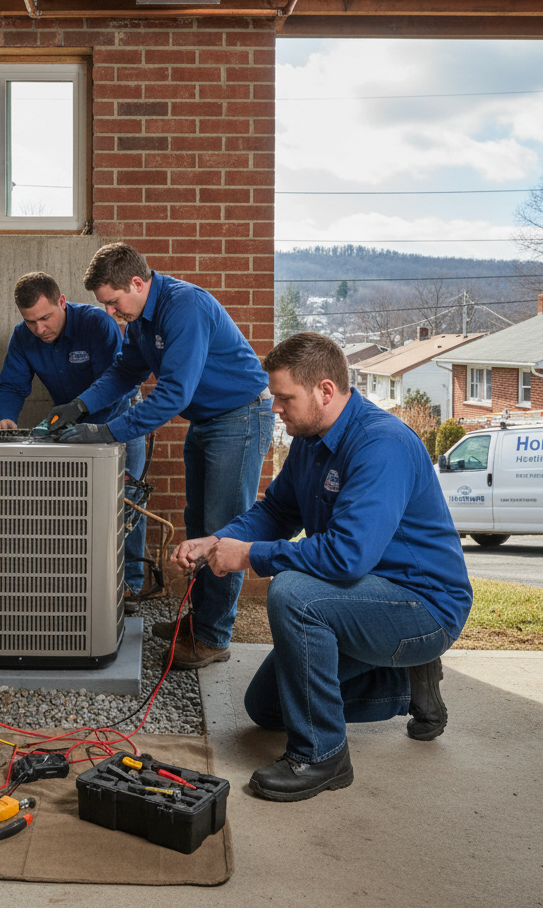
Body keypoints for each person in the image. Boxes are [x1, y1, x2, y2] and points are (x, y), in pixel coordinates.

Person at [173, 332, 472, 802]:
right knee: (267, 706)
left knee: (293, 593)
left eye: (284, 397)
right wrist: (220, 539)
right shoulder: (311, 440)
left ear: (325, 391)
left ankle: (322, 755)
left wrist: (250, 556)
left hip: (423, 607)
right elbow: (275, 512)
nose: (275, 408)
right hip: (362, 597)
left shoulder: (382, 445)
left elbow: (346, 555)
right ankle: (405, 686)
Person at [43, 243, 276, 668]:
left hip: (240, 418)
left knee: (222, 527)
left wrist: (105, 431)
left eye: (114, 302)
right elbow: (124, 372)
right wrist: (79, 406)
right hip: (208, 421)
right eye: (105, 305)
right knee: (200, 522)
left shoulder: (184, 307)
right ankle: (200, 622)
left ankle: (212, 637)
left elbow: (172, 393)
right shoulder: (142, 318)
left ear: (137, 282)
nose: (111, 313)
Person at [0, 271, 147, 591]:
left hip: (119, 419)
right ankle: (81, 583)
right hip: (70, 424)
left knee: (126, 503)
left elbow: (114, 386)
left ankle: (129, 585)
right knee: (76, 502)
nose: (40, 329)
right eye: (31, 321)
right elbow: (11, 384)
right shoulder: (24, 336)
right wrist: (6, 416)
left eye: (46, 318)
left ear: (62, 302)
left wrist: (81, 423)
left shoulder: (96, 324)